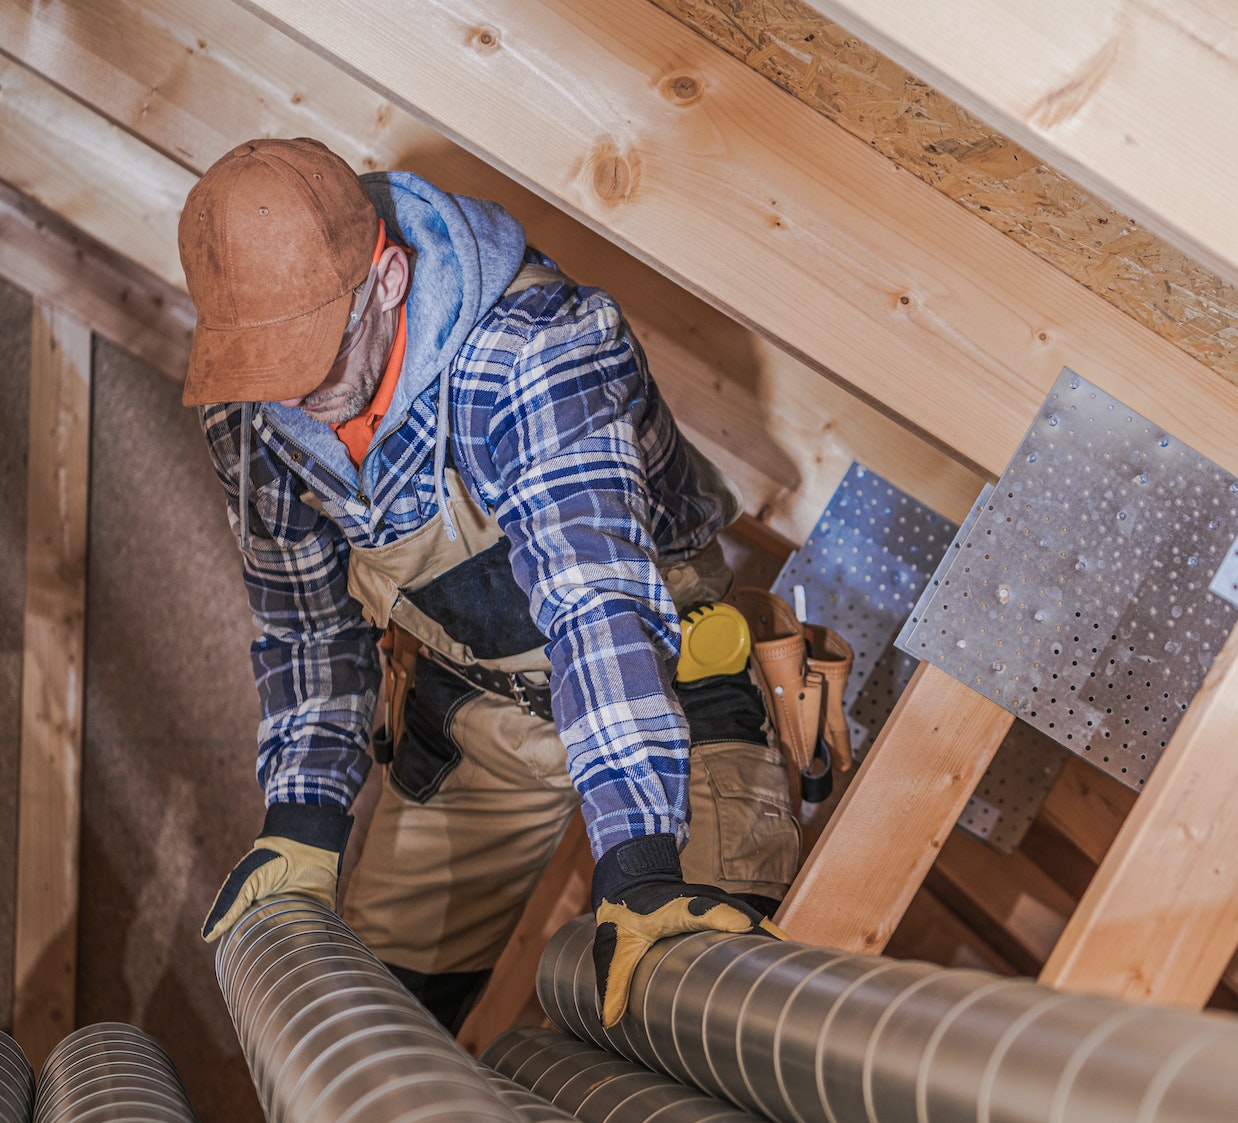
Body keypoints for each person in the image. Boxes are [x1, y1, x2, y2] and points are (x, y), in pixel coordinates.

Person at [178, 138, 795, 1031]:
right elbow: (311, 629)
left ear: (387, 280)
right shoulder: (254, 412)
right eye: (265, 368)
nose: (293, 393)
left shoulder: (532, 350)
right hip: (483, 715)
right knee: (371, 1029)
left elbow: (596, 600)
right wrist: (304, 811)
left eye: (313, 352)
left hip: (658, 687)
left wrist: (641, 860)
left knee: (705, 1015)